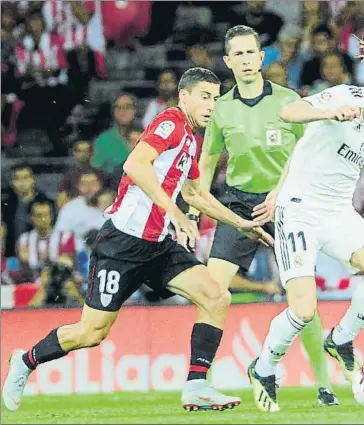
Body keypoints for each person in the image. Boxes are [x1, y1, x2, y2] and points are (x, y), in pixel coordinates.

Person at [2, 67, 272, 413]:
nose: (211, 105)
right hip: (122, 244)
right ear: (184, 96)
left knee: (216, 295)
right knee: (90, 333)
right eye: (205, 96)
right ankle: (24, 361)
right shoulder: (171, 122)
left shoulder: (192, 138)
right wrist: (173, 213)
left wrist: (241, 223)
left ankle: (196, 386)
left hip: (158, 245)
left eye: (216, 98)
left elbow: (195, 194)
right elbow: (135, 164)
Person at [248, 39, 364, 412]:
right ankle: (264, 368)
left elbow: (304, 149)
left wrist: (278, 186)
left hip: (337, 212)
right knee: (304, 311)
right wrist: (330, 110)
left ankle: (341, 339)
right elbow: (289, 113)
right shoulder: (344, 97)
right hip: (301, 212)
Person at [186, 25, 338, 409]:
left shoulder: (287, 100)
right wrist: (194, 205)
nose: (246, 60)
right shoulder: (221, 108)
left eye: (251, 52)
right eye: (237, 54)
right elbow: (207, 161)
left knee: (303, 299)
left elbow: (309, 155)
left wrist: (293, 195)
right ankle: (199, 382)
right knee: (211, 290)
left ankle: (323, 385)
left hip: (285, 204)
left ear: (261, 56)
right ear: (228, 61)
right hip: (238, 204)